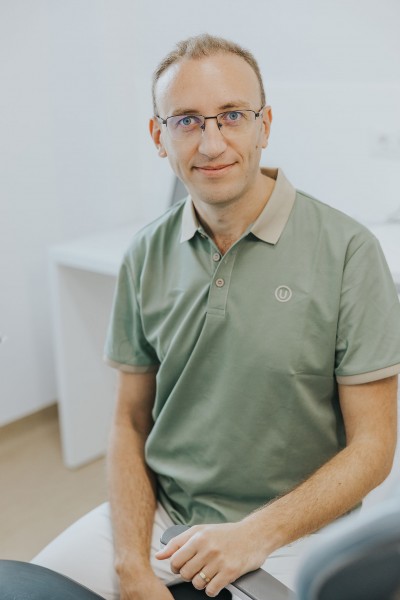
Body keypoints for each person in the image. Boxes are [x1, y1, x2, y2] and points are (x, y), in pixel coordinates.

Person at [33, 34, 400, 600]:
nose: (211, 143)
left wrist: (255, 535)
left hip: (290, 533)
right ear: (159, 136)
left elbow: (373, 447)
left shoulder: (349, 251)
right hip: (163, 516)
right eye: (186, 121)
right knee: (27, 583)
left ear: (264, 125)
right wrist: (132, 567)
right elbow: (129, 421)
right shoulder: (145, 252)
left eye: (232, 115)